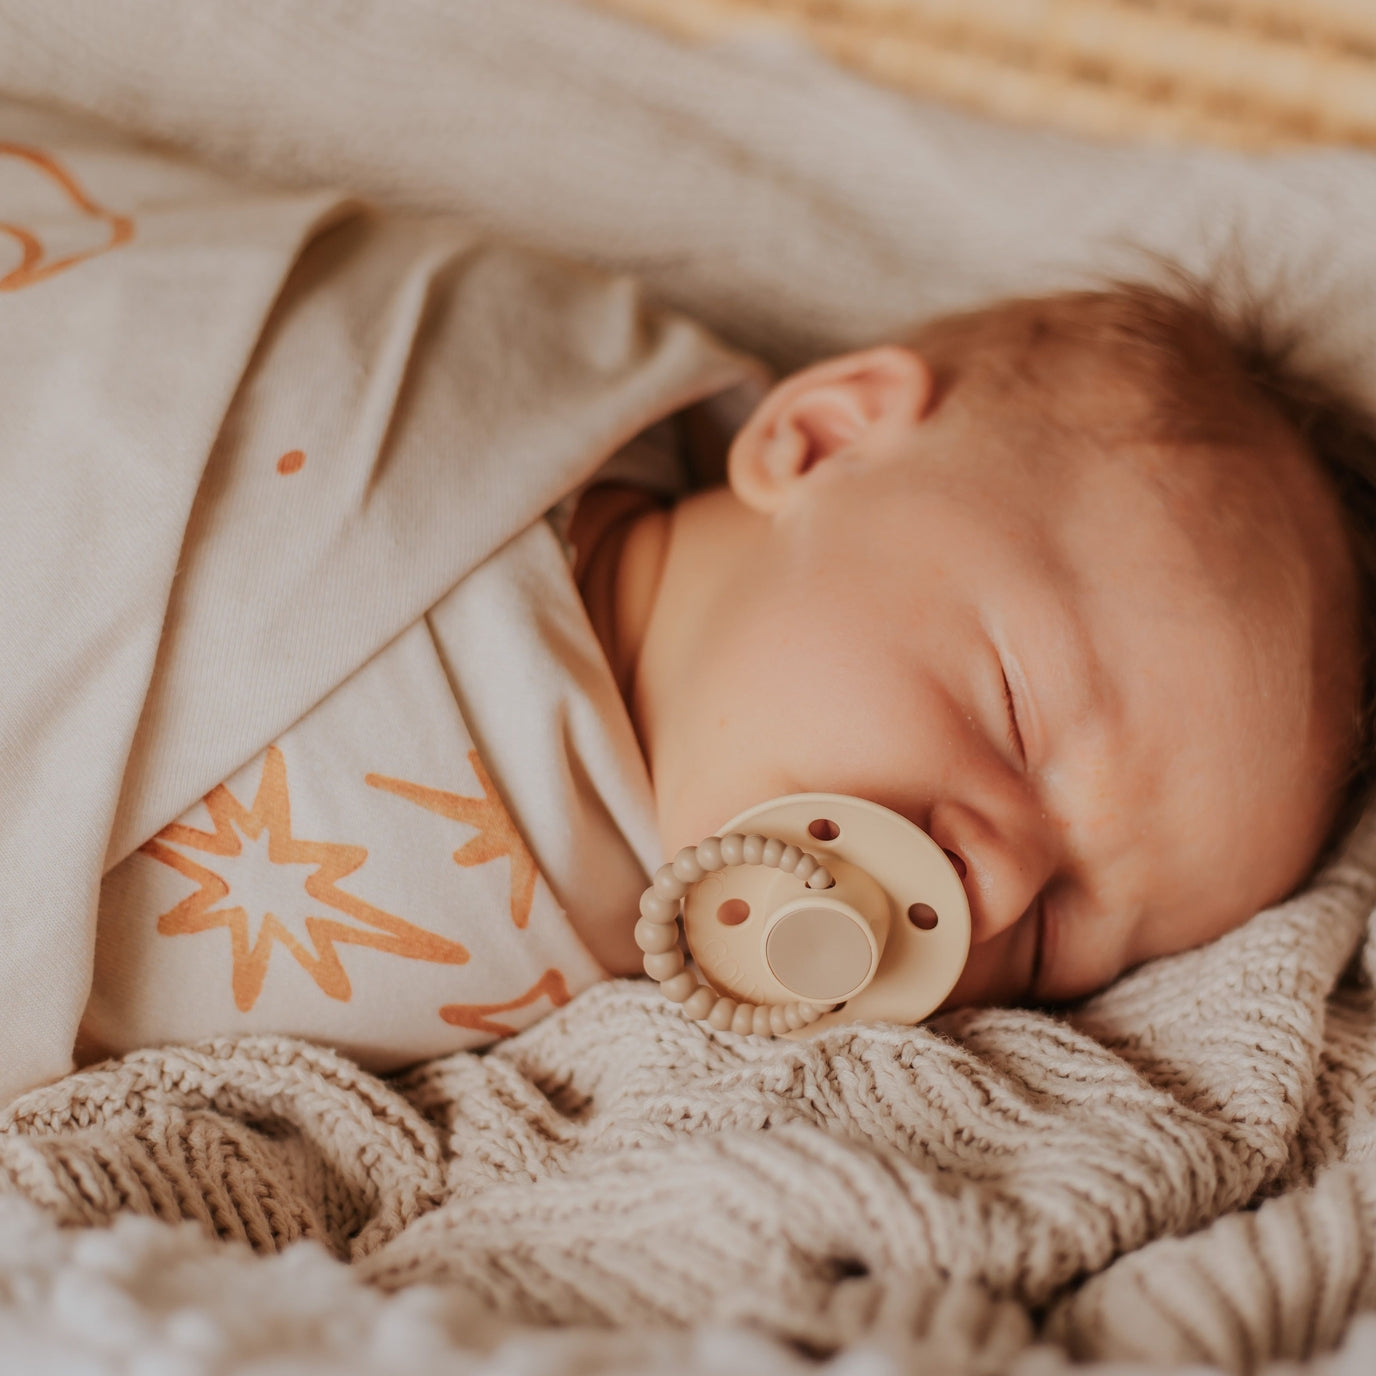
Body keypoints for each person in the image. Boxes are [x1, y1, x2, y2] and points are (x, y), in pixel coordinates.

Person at [83, 276, 1374, 1066]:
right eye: (1018, 716)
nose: (992, 887)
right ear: (817, 443)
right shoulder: (459, 410)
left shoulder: (621, 1053)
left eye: (1053, 941)